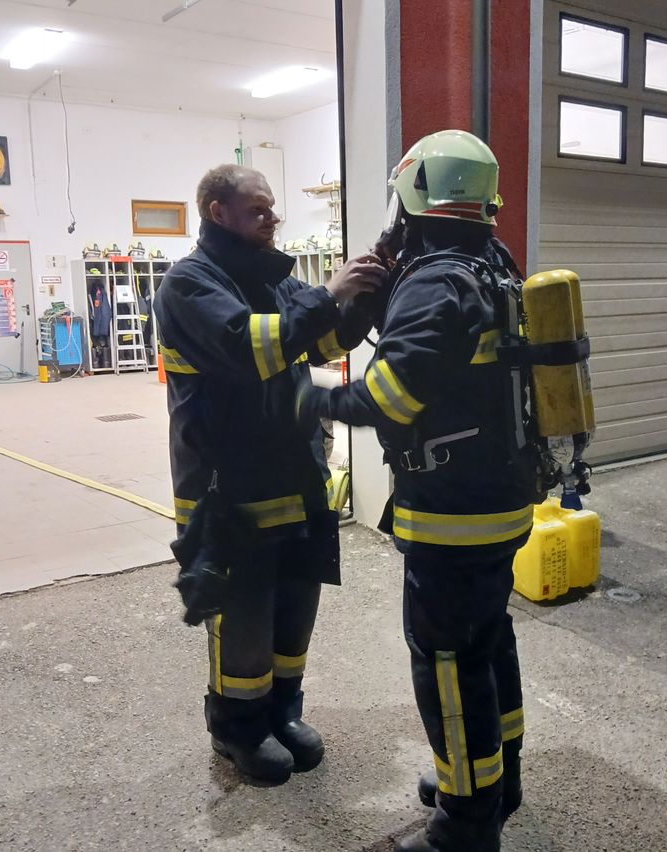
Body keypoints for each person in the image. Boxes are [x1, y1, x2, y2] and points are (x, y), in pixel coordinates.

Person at [296, 130, 534, 851]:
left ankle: (465, 823)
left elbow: (390, 400)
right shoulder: (494, 264)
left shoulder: (435, 280)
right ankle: (496, 780)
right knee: (489, 641)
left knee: (449, 663)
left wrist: (312, 404)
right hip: (502, 501)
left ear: (412, 195)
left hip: (453, 515)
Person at [153, 164, 386, 784]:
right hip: (228, 485)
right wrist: (327, 292)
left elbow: (319, 346)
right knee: (244, 609)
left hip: (292, 470)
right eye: (258, 210)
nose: (272, 219)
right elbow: (249, 347)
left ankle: (283, 710)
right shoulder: (188, 284)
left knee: (295, 596)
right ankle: (238, 728)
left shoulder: (270, 277)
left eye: (272, 209)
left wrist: (362, 299)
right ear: (216, 211)